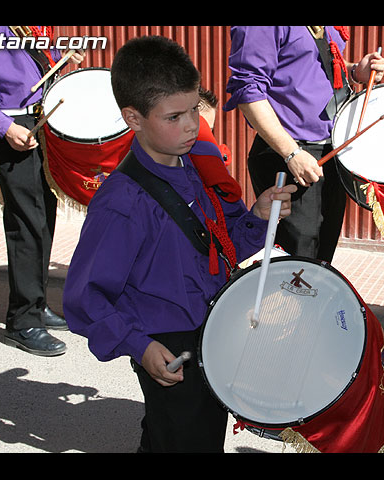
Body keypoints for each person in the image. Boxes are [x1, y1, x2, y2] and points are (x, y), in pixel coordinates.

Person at [62, 35, 296, 453]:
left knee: (189, 434)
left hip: (210, 330)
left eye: (193, 110)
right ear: (133, 118)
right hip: (167, 344)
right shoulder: (122, 204)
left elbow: (219, 248)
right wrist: (141, 346)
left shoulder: (191, 166)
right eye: (174, 117)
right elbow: (85, 297)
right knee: (186, 437)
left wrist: (258, 217)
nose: (191, 125)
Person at [0, 26, 85, 356]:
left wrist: (61, 58)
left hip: (45, 119)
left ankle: (36, 302)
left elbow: (34, 64)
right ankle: (21, 320)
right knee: (26, 219)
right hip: (13, 124)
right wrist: (4, 127)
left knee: (43, 214)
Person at [224, 26, 384, 263]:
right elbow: (248, 92)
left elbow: (310, 64)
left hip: (329, 151)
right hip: (289, 156)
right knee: (296, 264)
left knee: (321, 258)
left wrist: (354, 71)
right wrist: (292, 154)